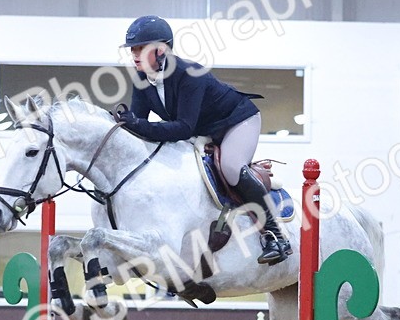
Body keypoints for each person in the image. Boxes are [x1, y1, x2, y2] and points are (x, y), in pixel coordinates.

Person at [113, 15, 291, 266]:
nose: (134, 54)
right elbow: (139, 125)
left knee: (230, 168)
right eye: (132, 49)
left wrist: (138, 124)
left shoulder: (189, 74)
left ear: (161, 50)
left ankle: (275, 236)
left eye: (140, 48)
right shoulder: (141, 79)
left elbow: (183, 128)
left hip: (237, 121)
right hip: (203, 128)